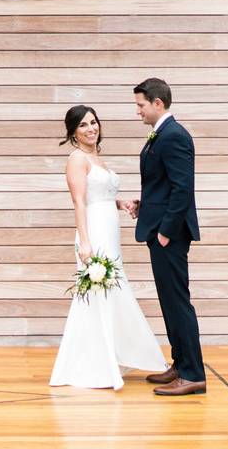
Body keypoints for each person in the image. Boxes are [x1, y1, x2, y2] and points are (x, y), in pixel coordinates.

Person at [50, 105, 168, 390]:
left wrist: (121, 203)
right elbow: (79, 201)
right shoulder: (77, 159)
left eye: (93, 122)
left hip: (109, 231)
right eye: (83, 125)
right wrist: (85, 242)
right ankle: (94, 365)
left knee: (113, 291)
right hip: (94, 234)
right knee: (96, 295)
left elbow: (98, 195)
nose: (91, 128)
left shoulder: (95, 157)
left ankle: (112, 355)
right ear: (73, 132)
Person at [128, 78, 207, 396]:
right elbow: (163, 186)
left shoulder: (174, 136)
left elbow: (182, 189)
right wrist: (144, 206)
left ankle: (193, 374)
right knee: (169, 302)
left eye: (140, 105)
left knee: (177, 303)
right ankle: (181, 362)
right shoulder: (162, 135)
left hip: (169, 235)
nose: (138, 112)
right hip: (160, 228)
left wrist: (165, 232)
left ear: (157, 103)